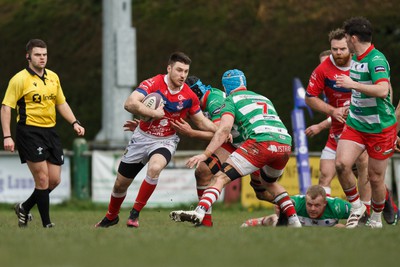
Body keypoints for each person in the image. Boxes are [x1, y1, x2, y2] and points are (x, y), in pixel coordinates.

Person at [95, 52, 217, 228]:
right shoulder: (153, 83)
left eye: (186, 71)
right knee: (120, 185)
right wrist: (153, 113)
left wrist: (221, 130)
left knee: (155, 168)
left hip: (166, 141)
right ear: (169, 68)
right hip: (141, 138)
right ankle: (111, 216)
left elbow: (201, 121)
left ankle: (134, 214)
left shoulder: (189, 95)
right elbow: (129, 103)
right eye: (179, 70)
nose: (183, 75)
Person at [170, 69, 302, 227]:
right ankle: (205, 222)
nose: (183, 100)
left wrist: (194, 137)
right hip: (281, 142)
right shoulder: (262, 97)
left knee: (224, 179)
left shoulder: (218, 100)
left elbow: (222, 133)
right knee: (204, 172)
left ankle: (301, 206)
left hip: (251, 144)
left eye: (185, 95)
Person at [1, 39, 85, 228]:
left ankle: (24, 207)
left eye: (44, 55)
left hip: (50, 132)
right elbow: (6, 107)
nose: (42, 58)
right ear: (28, 56)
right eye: (38, 55)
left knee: (54, 180)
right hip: (29, 132)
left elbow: (61, 103)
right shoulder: (19, 79)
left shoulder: (53, 77)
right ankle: (47, 224)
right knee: (42, 179)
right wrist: (7, 136)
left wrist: (74, 122)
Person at [335, 17, 397, 228]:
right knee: (342, 164)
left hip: (380, 128)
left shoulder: (376, 59)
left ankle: (376, 219)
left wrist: (353, 84)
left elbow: (382, 90)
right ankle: (357, 206)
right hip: (356, 124)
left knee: (375, 177)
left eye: (346, 39)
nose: (345, 44)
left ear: (353, 38)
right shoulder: (355, 57)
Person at [305, 29, 371, 212]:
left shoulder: (364, 62)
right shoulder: (323, 70)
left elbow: (382, 90)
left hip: (362, 129)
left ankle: (371, 210)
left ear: (350, 46)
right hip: (336, 134)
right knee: (326, 174)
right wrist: (332, 111)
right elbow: (310, 97)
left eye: (342, 49)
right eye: (335, 49)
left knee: (366, 169)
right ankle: (326, 215)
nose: (338, 53)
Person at [241, 185, 351, 227]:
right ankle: (256, 222)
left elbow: (360, 213)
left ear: (325, 203)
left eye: (317, 205)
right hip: (300, 225)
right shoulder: (297, 202)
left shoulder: (338, 206)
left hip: (327, 228)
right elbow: (278, 206)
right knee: (277, 221)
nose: (312, 209)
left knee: (340, 227)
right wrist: (281, 212)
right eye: (309, 204)